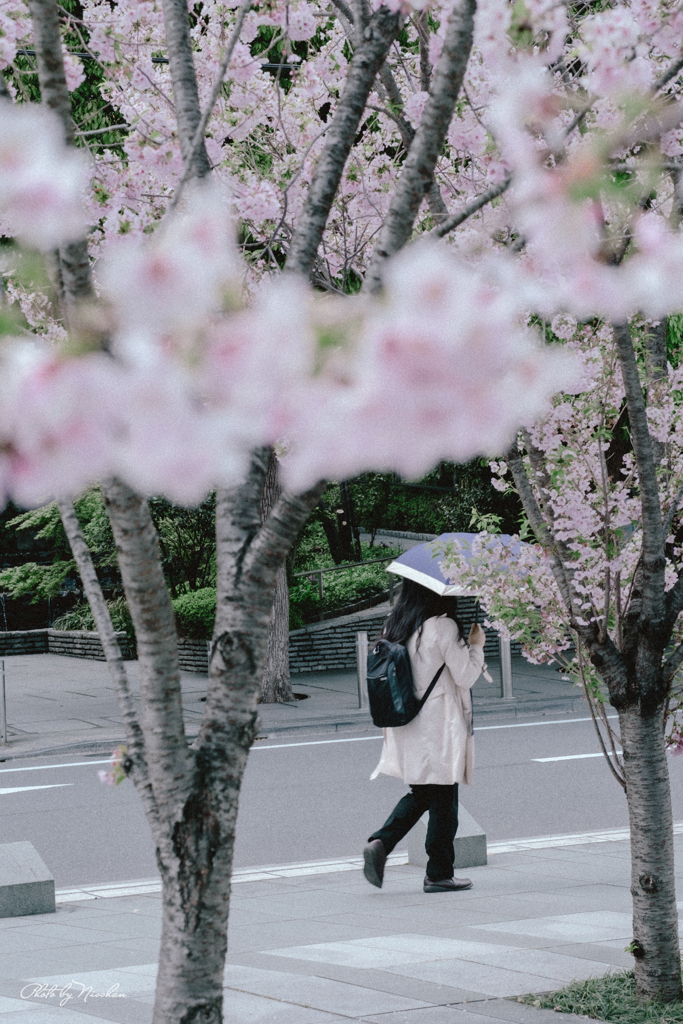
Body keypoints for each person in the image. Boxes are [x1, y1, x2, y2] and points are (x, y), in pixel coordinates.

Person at [363, 579, 486, 893]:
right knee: (444, 797)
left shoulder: (397, 625)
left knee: (423, 794)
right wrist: (476, 646)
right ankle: (439, 873)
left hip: (407, 723)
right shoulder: (442, 628)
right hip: (438, 725)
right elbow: (466, 676)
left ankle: (382, 842)